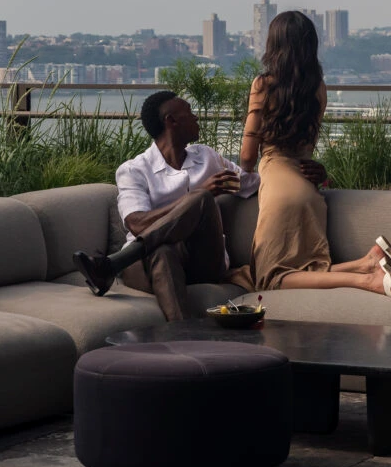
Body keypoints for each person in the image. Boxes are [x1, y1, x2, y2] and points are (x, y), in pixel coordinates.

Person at [230, 10, 391, 300]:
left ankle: (369, 282)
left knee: (270, 277)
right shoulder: (318, 89)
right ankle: (369, 262)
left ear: (274, 46)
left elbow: (248, 156)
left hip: (278, 186)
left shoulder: (263, 85)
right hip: (308, 186)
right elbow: (307, 146)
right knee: (307, 268)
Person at [72, 90, 259, 321]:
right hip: (147, 266)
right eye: (189, 113)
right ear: (171, 121)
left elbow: (253, 184)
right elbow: (135, 223)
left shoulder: (207, 158)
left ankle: (113, 264)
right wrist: (196, 197)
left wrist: (301, 173)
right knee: (163, 249)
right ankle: (183, 337)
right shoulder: (134, 170)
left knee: (201, 199)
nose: (196, 118)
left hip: (203, 261)